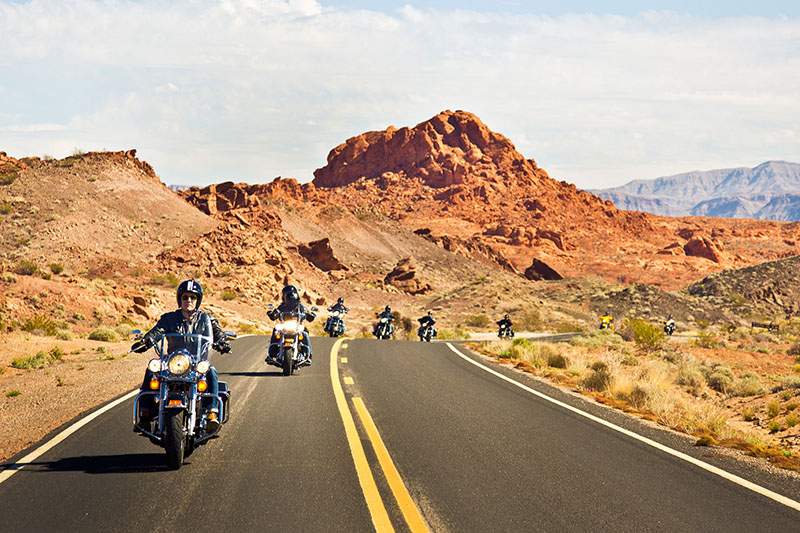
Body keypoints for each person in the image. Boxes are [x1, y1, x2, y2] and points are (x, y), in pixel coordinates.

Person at [131, 279, 230, 432]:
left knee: (211, 371)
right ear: (180, 299)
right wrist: (145, 341)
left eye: (192, 297)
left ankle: (212, 414)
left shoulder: (207, 319)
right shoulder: (169, 318)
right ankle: (145, 414)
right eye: (185, 297)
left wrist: (222, 341)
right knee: (152, 369)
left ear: (198, 300)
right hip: (172, 361)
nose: (188, 300)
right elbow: (156, 332)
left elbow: (217, 333)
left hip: (196, 362)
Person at [266, 285, 316, 365]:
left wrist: (310, 315)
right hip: (284, 326)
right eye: (288, 295)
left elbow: (308, 314)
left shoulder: (300, 306)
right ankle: (271, 354)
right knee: (275, 332)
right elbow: (275, 314)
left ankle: (308, 356)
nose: (290, 297)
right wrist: (272, 314)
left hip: (296, 326)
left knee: (305, 334)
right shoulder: (282, 306)